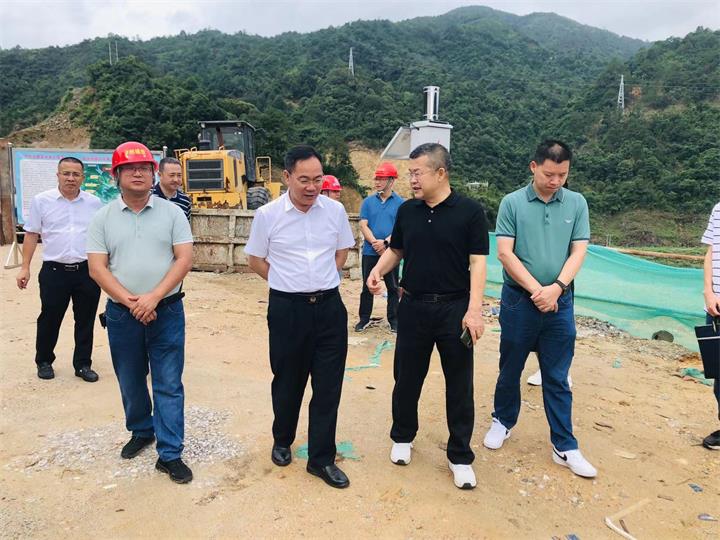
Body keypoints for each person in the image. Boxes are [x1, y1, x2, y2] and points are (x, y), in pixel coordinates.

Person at [367, 143, 489, 490]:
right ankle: (403, 436)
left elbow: (478, 262)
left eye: (417, 173)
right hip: (413, 306)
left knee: (460, 384)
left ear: (441, 173)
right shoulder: (408, 211)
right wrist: (377, 270)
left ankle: (460, 455)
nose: (412, 180)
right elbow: (397, 250)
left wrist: (474, 310)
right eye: (410, 173)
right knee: (406, 377)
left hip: (455, 308)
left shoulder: (470, 212)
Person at [483, 140, 597, 478]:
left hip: (560, 300)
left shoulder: (576, 203)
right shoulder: (512, 203)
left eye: (562, 175)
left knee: (557, 375)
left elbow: (578, 251)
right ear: (534, 167)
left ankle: (565, 445)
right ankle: (502, 421)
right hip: (520, 300)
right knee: (511, 366)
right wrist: (537, 291)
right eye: (549, 174)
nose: (555, 181)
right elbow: (505, 252)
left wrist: (556, 288)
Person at [245, 145, 356, 489]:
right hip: (287, 310)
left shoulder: (335, 211)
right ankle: (282, 438)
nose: (312, 187)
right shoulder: (268, 215)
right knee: (288, 381)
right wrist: (285, 282)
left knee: (328, 386)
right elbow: (255, 259)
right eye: (304, 179)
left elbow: (342, 250)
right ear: (287, 177)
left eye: (317, 179)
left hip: (329, 309)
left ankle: (321, 460)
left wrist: (323, 278)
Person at [87, 141, 194, 484]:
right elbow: (97, 268)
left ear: (153, 174)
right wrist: (132, 302)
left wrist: (153, 297)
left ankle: (170, 453)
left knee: (168, 382)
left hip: (167, 311)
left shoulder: (172, 214)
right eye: (130, 168)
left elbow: (184, 259)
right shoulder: (103, 217)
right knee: (130, 379)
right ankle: (141, 429)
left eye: (145, 168)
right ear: (116, 175)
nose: (138, 173)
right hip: (123, 314)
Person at [16, 157, 103, 382]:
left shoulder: (94, 203)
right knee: (50, 317)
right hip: (54, 271)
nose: (71, 178)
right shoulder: (42, 201)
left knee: (85, 319)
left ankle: (83, 364)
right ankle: (44, 361)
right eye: (66, 173)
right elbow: (31, 234)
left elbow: (101, 236)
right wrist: (25, 267)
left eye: (76, 174)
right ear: (58, 175)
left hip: (87, 271)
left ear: (82, 177)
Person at [356, 162, 404, 333]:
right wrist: (375, 242)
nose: (377, 182)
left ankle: (394, 320)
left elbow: (400, 227)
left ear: (391, 181)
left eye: (381, 179)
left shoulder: (400, 203)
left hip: (391, 252)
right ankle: (364, 319)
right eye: (376, 178)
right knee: (367, 286)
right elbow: (363, 224)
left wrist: (385, 243)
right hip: (370, 251)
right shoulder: (368, 202)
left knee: (393, 287)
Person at [701, 202, 720, 451]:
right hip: (715, 305)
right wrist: (708, 291)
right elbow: (711, 252)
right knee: (718, 370)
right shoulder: (718, 209)